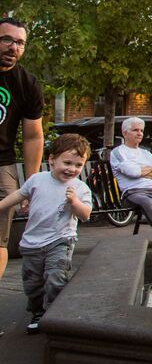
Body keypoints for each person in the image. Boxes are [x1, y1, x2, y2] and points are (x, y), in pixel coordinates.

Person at [0, 133, 91, 334]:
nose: (72, 169)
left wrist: (74, 202)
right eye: (67, 162)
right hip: (32, 243)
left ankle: (54, 314)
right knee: (32, 284)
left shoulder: (80, 188)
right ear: (51, 160)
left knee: (56, 276)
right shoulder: (37, 180)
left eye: (78, 165)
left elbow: (85, 215)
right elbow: (18, 194)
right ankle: (38, 311)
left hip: (61, 240)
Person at [0, 17, 45, 301]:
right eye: (7, 39)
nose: (13, 47)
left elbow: (33, 137)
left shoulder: (27, 83)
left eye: (20, 43)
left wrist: (32, 184)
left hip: (2, 165)